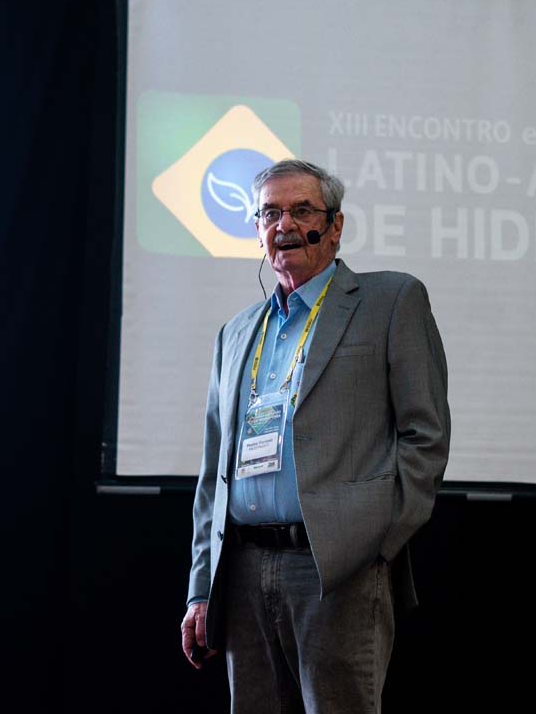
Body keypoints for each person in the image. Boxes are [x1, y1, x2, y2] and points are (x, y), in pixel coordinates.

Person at [179, 159, 450, 713]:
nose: (285, 225)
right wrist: (201, 588)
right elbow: (214, 473)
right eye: (270, 213)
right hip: (242, 570)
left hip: (335, 567)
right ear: (257, 229)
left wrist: (372, 544)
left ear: (334, 225)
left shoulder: (390, 301)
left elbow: (425, 435)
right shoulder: (235, 333)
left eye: (302, 210)